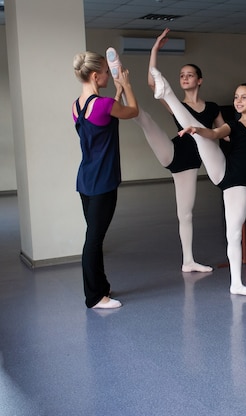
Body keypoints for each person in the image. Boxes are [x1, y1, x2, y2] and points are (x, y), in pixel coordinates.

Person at [150, 66, 246, 297]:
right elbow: (213, 134)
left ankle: (236, 284)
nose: (238, 100)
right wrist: (197, 130)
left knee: (234, 234)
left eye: (244, 97)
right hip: (222, 170)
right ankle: (167, 93)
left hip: (238, 186)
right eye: (236, 97)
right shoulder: (232, 125)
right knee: (203, 139)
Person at [133, 28, 224, 273]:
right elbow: (153, 83)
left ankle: (188, 261)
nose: (184, 78)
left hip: (191, 164)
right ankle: (124, 95)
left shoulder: (212, 107)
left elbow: (223, 133)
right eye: (182, 75)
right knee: (145, 118)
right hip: (173, 151)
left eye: (189, 75)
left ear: (199, 80)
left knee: (185, 214)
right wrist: (154, 50)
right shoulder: (177, 105)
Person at [72, 51, 138, 309]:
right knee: (94, 239)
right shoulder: (103, 105)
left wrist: (117, 92)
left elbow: (106, 115)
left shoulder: (77, 105)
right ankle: (95, 297)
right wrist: (127, 86)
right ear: (95, 75)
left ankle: (102, 287)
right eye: (105, 72)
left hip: (86, 179)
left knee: (94, 236)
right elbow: (132, 111)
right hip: (102, 181)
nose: (109, 76)